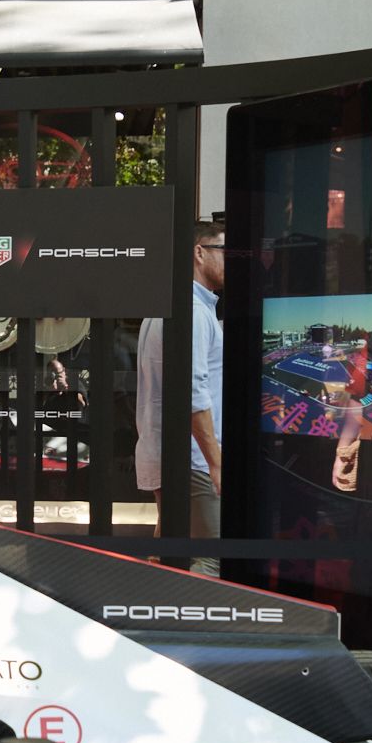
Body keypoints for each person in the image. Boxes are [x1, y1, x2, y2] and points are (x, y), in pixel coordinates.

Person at [136, 220, 226, 538]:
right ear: (199, 253)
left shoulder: (172, 306)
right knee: (209, 560)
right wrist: (215, 462)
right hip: (193, 459)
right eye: (224, 249)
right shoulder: (192, 311)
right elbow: (193, 389)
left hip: (177, 454)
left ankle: (151, 587)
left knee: (172, 553)